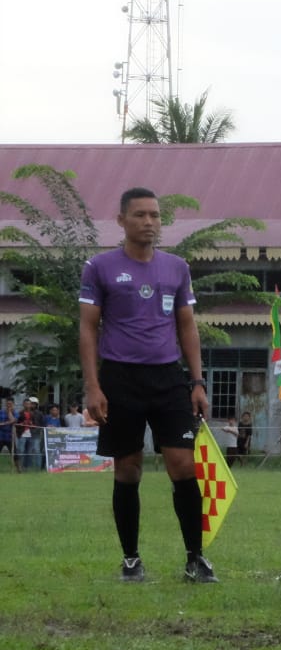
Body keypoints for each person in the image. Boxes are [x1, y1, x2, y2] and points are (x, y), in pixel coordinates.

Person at [78, 186, 216, 583]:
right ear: (121, 220)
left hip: (168, 377)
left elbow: (187, 326)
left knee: (183, 464)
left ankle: (196, 558)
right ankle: (131, 560)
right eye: (140, 215)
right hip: (120, 378)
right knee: (128, 469)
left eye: (155, 215)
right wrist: (93, 386)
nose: (149, 222)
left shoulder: (176, 268)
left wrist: (197, 381)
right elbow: (88, 329)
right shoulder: (100, 267)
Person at [0, 397, 14, 468]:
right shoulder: (1, 412)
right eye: (7, 404)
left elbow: (13, 421)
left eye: (10, 404)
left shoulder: (15, 412)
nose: (9, 405)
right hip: (1, 436)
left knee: (15, 454)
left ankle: (19, 470)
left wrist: (9, 412)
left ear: (13, 404)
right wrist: (8, 423)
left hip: (10, 437)